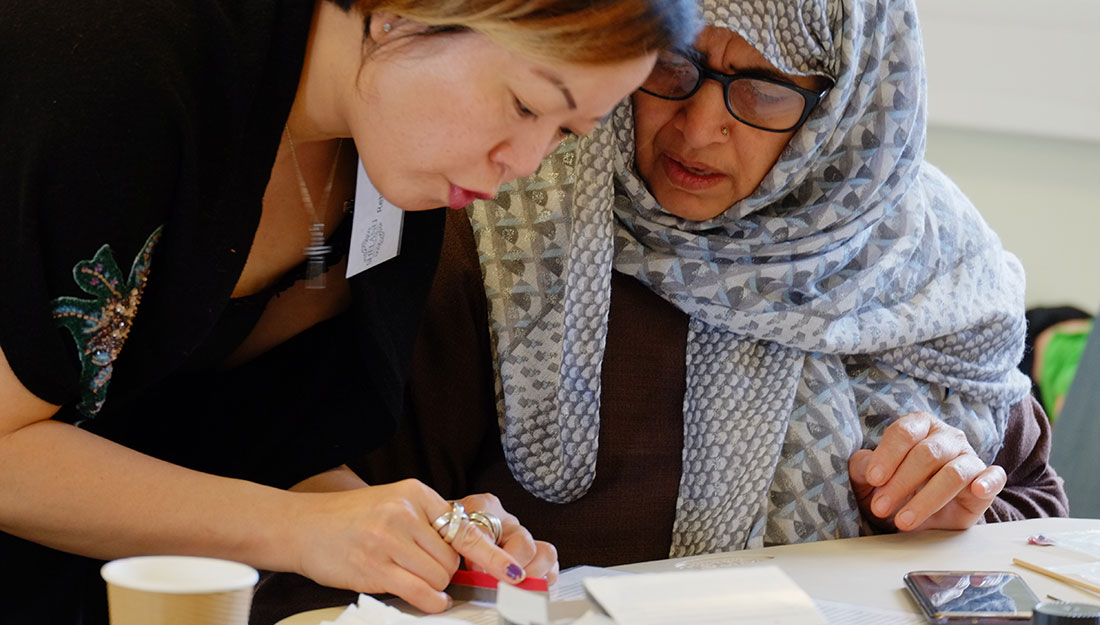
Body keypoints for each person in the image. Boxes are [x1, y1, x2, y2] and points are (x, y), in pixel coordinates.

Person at [0, 0, 701, 622]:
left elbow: (242, 433)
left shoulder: (391, 149)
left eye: (566, 133)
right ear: (402, 10)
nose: (524, 162)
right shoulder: (124, 65)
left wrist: (405, 530)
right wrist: (299, 527)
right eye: (523, 104)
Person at [356, 0, 1069, 568]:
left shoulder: (933, 269)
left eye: (762, 92)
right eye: (672, 66)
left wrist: (957, 515)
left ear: (845, 108)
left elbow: (1045, 524)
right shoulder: (502, 217)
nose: (697, 129)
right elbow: (371, 507)